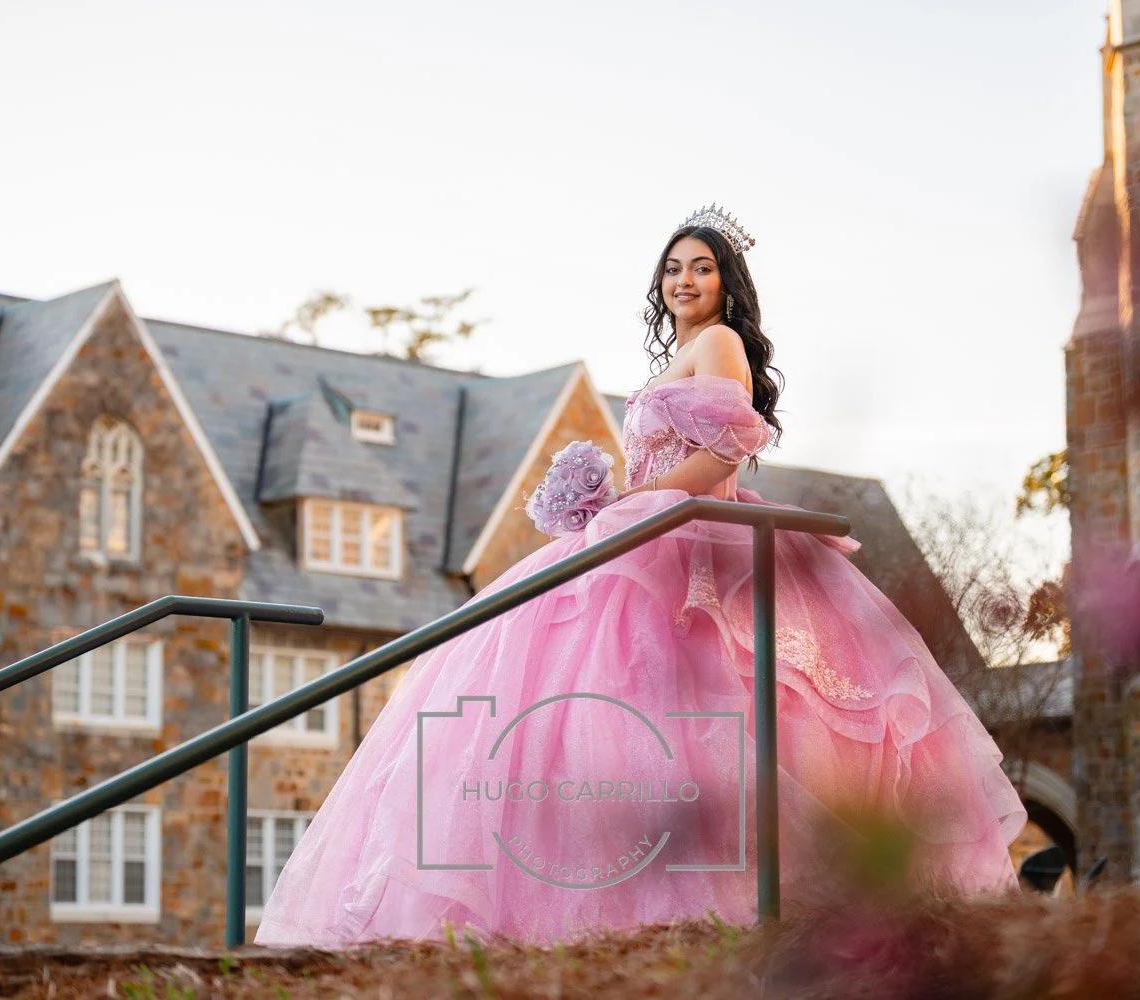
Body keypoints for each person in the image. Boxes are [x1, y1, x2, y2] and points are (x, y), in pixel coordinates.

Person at [254, 205, 1026, 949]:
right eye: (673, 268)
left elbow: (723, 455)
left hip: (682, 541)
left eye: (702, 268)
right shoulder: (680, 354)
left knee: (672, 712)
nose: (685, 280)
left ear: (727, 283)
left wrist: (636, 504)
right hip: (655, 523)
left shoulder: (720, 343)